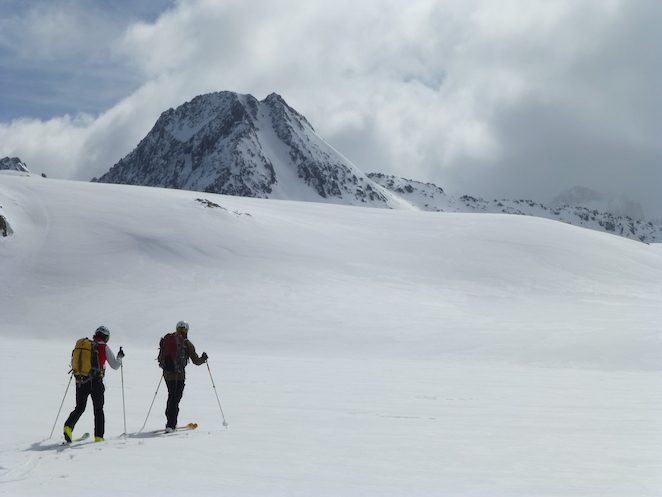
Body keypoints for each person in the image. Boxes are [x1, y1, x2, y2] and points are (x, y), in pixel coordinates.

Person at [63, 326, 124, 443]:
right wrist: (119, 357)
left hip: (81, 381)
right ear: (106, 337)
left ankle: (68, 426)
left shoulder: (85, 345)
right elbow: (115, 366)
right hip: (96, 382)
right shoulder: (103, 347)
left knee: (80, 407)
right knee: (98, 410)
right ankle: (99, 437)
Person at [161, 321, 208, 432]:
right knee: (175, 399)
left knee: (171, 397)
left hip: (167, 375)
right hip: (179, 376)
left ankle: (170, 423)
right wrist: (203, 359)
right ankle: (171, 425)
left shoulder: (169, 340)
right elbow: (196, 361)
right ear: (186, 330)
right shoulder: (187, 343)